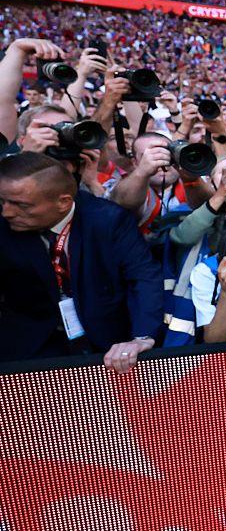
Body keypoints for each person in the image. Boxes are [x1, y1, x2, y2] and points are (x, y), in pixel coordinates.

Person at [0, 153, 163, 370]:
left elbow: (144, 276)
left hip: (105, 344)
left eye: (21, 205)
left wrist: (142, 337)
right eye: (2, 201)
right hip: (26, 347)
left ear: (63, 202)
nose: (7, 212)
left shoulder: (108, 220)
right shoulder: (2, 224)